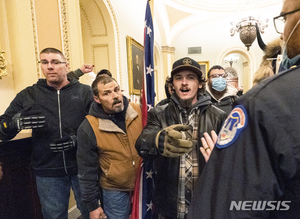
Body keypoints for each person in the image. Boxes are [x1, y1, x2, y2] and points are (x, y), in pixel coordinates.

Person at [188, 1, 300, 218]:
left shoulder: (260, 104)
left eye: (285, 19)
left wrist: (228, 170)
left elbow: (233, 206)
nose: (283, 35)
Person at [0, 47, 93, 219]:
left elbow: (100, 125)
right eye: (45, 62)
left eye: (55, 62)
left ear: (66, 66)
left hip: (83, 165)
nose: (50, 66)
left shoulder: (84, 92)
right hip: (48, 168)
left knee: (91, 213)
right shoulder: (29, 94)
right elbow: (2, 128)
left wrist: (78, 140)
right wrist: (14, 124)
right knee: (54, 216)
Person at [135, 57, 227, 218]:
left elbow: (234, 160)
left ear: (199, 84)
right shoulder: (159, 114)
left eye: (190, 78)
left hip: (206, 206)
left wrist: (222, 157)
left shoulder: (218, 116)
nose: (184, 82)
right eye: (179, 78)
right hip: (170, 206)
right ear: (172, 85)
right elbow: (142, 144)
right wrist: (157, 140)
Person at [77, 75, 142, 219]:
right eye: (107, 93)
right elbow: (86, 171)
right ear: (97, 99)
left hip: (143, 182)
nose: (115, 96)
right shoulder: (89, 127)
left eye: (117, 90)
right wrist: (93, 205)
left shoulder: (138, 111)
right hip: (114, 188)